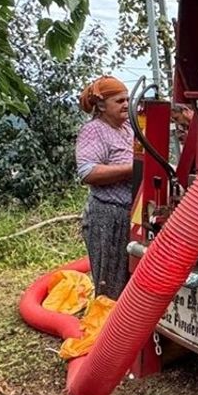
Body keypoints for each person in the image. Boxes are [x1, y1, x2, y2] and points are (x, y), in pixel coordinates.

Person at [75, 76, 135, 300]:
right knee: (110, 282)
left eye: (127, 99)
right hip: (107, 216)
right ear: (101, 105)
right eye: (119, 101)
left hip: (132, 212)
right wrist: (132, 169)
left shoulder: (129, 127)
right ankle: (107, 330)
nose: (126, 105)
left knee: (131, 278)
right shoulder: (94, 131)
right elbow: (87, 172)